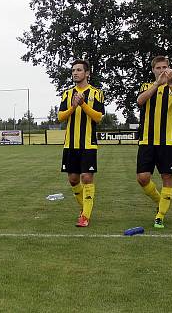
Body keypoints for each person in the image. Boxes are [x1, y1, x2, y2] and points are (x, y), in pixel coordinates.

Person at [135, 56, 172, 229]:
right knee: (142, 178)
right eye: (158, 67)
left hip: (168, 142)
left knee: (167, 178)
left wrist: (170, 84)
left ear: (170, 69)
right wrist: (157, 84)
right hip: (147, 141)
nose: (162, 70)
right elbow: (140, 101)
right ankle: (160, 200)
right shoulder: (146, 86)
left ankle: (160, 216)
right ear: (153, 70)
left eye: (165, 67)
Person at [57, 60, 105, 227]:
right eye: (73, 70)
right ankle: (85, 208)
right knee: (73, 179)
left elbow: (98, 117)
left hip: (88, 144)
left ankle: (85, 216)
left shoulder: (96, 93)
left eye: (78, 70)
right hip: (70, 144)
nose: (75, 73)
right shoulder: (67, 94)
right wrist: (74, 106)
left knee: (86, 177)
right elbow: (61, 117)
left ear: (87, 73)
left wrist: (83, 104)